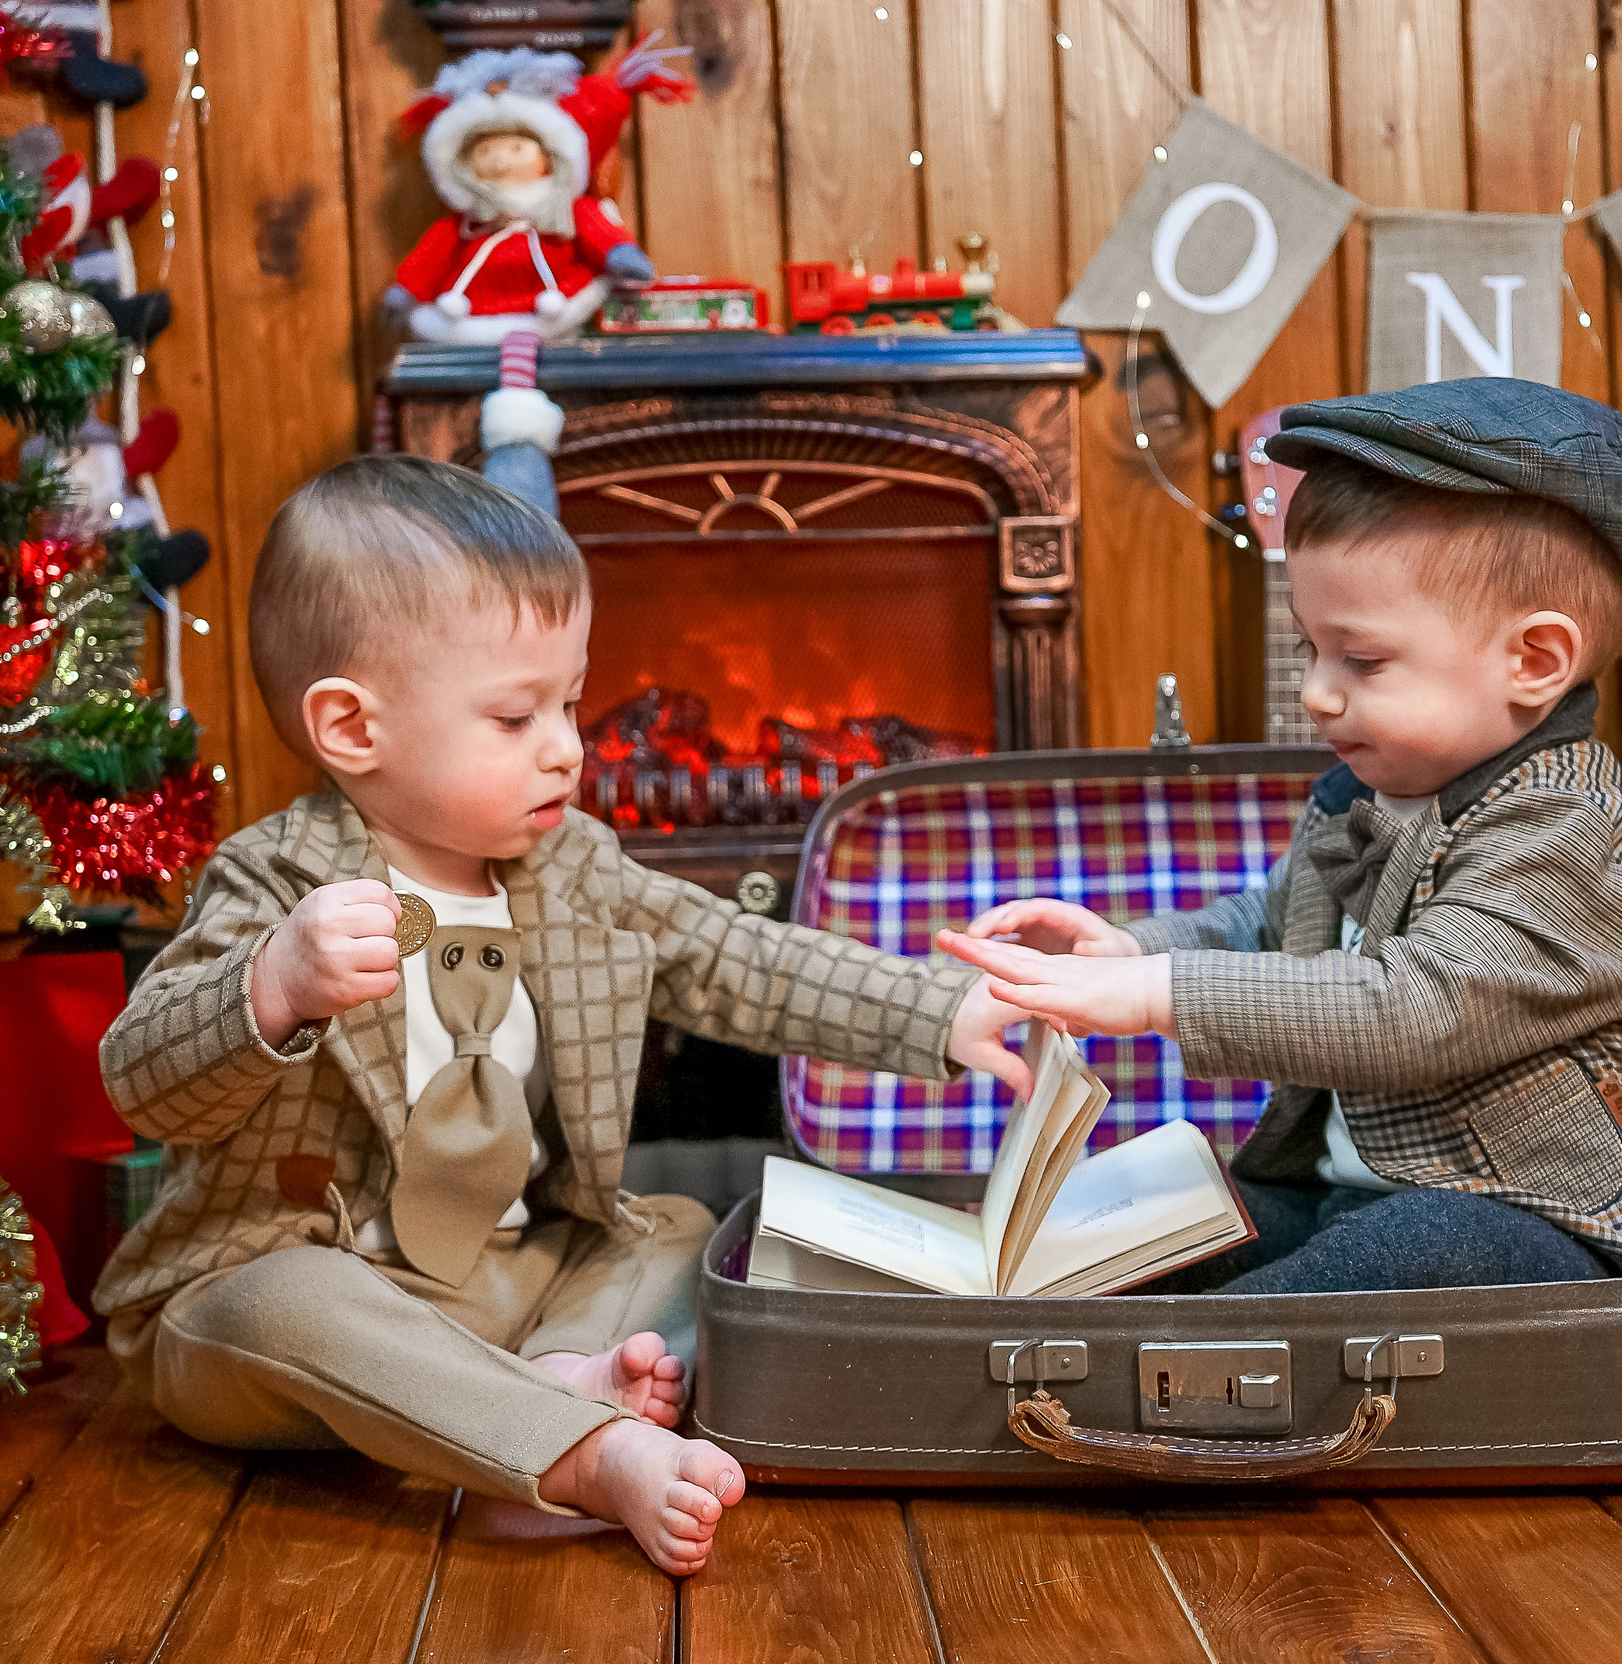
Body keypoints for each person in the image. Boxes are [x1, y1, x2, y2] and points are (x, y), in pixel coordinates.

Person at [95, 455, 1029, 1574]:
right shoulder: (275, 884)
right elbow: (141, 1081)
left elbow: (728, 954)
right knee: (287, 1301)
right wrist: (270, 986)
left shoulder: (568, 864)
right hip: (299, 1303)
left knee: (677, 1225)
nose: (566, 747)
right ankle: (577, 1447)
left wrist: (938, 1008)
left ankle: (558, 1375)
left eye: (571, 703)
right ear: (352, 728)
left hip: (505, 1278)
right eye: (514, 716)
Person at [942, 379, 1622, 1293]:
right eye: (1310, 649)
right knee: (1156, 1226)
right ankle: (1082, 1326)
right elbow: (1271, 925)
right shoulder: (1364, 795)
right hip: (1350, 1191)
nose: (1316, 692)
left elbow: (1414, 1010)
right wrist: (1130, 950)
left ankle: (1212, 1355)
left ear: (1533, 661)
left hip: (1541, 1222)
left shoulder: (1569, 832)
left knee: (1409, 1251)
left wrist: (1153, 994)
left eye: (1363, 660)